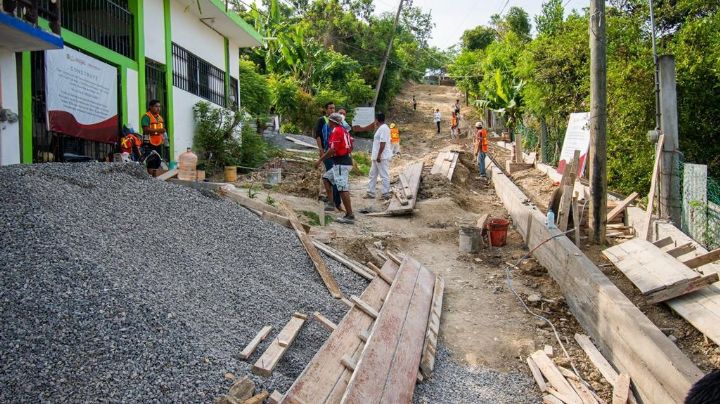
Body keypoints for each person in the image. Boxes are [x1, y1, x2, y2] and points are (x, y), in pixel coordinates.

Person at [316, 113, 355, 224]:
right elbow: (352, 145)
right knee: (326, 178)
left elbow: (332, 150)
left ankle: (350, 215)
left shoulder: (336, 130)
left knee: (343, 188)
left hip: (341, 163)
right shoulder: (344, 130)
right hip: (344, 161)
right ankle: (331, 203)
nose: (328, 122)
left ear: (333, 122)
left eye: (329, 120)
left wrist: (320, 160)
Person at [353, 112, 393, 200]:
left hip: (381, 157)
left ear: (377, 120)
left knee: (384, 175)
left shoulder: (384, 129)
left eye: (375, 120)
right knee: (372, 174)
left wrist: (379, 155)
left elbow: (383, 143)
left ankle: (385, 193)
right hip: (376, 157)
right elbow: (372, 128)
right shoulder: (381, 128)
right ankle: (370, 192)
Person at [314, 102, 342, 211]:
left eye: (334, 108)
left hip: (334, 153)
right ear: (326, 110)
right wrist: (320, 150)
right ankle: (330, 199)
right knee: (328, 174)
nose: (332, 110)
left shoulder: (338, 123)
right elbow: (318, 136)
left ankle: (332, 200)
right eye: (330, 108)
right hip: (327, 151)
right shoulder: (322, 120)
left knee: (330, 175)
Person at [141, 100, 167, 169]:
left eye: (159, 106)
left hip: (158, 142)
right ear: (150, 107)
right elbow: (146, 129)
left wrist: (163, 137)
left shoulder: (160, 118)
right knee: (150, 160)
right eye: (156, 106)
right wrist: (159, 131)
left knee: (157, 160)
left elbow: (162, 130)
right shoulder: (146, 117)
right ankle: (149, 175)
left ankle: (154, 176)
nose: (158, 108)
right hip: (148, 142)